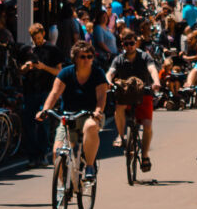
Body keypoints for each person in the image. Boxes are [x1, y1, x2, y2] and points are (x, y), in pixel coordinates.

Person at [39, 40, 107, 181]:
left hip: (90, 115)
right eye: (82, 57)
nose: (86, 60)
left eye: (90, 56)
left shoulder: (98, 73)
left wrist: (98, 112)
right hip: (68, 117)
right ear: (75, 58)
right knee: (56, 152)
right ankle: (64, 187)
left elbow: (101, 96)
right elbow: (54, 94)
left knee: (90, 126)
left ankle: (89, 166)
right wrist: (45, 110)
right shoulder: (66, 73)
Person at [105, 30, 159, 172]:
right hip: (125, 92)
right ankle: (121, 135)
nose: (129, 46)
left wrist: (156, 81)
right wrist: (108, 81)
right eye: (126, 43)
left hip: (144, 92)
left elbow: (152, 69)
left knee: (147, 126)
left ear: (136, 43)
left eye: (131, 43)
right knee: (120, 106)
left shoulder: (145, 56)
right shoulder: (119, 59)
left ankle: (145, 155)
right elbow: (110, 72)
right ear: (122, 44)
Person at [19, 24, 63, 165]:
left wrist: (44, 67)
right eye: (34, 38)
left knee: (43, 122)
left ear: (43, 34)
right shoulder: (28, 50)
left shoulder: (52, 49)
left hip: (46, 89)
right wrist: (26, 67)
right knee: (29, 124)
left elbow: (58, 71)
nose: (37, 41)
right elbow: (20, 70)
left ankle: (43, 154)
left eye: (38, 38)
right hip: (30, 90)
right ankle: (33, 156)